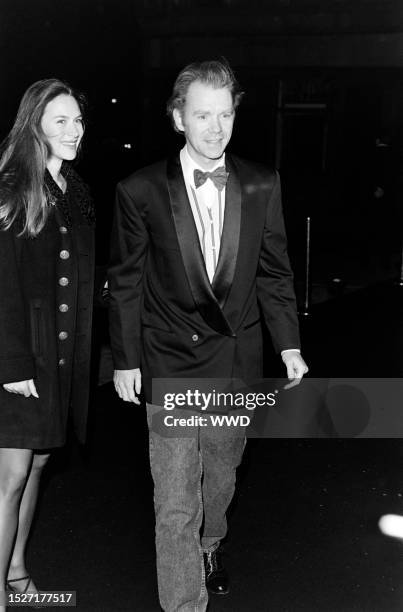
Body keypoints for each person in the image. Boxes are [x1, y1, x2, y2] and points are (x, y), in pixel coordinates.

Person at [108, 59, 308, 612]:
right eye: (203, 116)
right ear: (179, 118)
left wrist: (288, 343)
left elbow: (274, 271)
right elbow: (125, 283)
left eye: (225, 115)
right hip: (170, 359)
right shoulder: (140, 190)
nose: (216, 128)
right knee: (174, 502)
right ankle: (184, 603)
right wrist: (126, 360)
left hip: (236, 359)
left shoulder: (262, 183)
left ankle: (211, 542)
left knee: (219, 477)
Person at [0, 79, 95, 610]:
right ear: (33, 124)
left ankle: (16, 573)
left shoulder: (73, 188)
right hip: (20, 355)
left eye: (78, 121)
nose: (73, 130)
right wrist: (11, 361)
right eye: (60, 120)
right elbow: (2, 283)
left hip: (56, 356)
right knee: (10, 476)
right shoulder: (13, 186)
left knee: (36, 465)